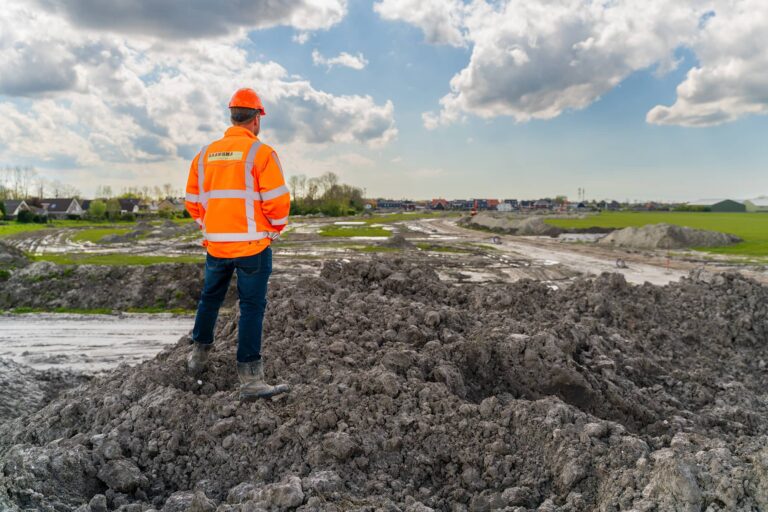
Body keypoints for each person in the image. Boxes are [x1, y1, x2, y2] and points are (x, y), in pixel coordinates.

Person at [184, 87, 290, 400]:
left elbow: (192, 201)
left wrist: (210, 226)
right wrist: (272, 230)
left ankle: (197, 357)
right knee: (252, 308)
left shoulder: (204, 155)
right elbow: (278, 203)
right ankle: (250, 379)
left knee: (209, 299)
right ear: (257, 119)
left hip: (216, 246)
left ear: (232, 117)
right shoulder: (261, 154)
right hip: (253, 248)